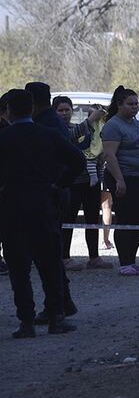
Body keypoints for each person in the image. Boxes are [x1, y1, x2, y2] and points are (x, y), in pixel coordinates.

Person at [0, 89, 86, 337]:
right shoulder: (48, 135)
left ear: (9, 111)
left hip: (12, 207)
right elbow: (78, 161)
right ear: (33, 108)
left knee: (19, 268)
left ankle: (26, 322)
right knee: (49, 263)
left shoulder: (4, 138)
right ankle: (56, 318)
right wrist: (58, 184)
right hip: (44, 204)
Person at [101, 86, 139, 275]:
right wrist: (119, 180)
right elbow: (110, 155)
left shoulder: (136, 124)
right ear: (119, 104)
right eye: (130, 104)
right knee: (126, 219)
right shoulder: (113, 125)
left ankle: (132, 260)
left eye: (136, 104)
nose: (135, 107)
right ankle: (124, 262)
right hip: (123, 177)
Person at [54, 95, 110, 270]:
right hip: (70, 183)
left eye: (67, 110)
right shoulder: (56, 130)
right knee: (67, 220)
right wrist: (90, 120)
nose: (64, 114)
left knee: (92, 219)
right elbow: (69, 137)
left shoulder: (81, 129)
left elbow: (93, 145)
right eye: (60, 110)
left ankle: (94, 257)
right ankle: (64, 257)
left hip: (90, 182)